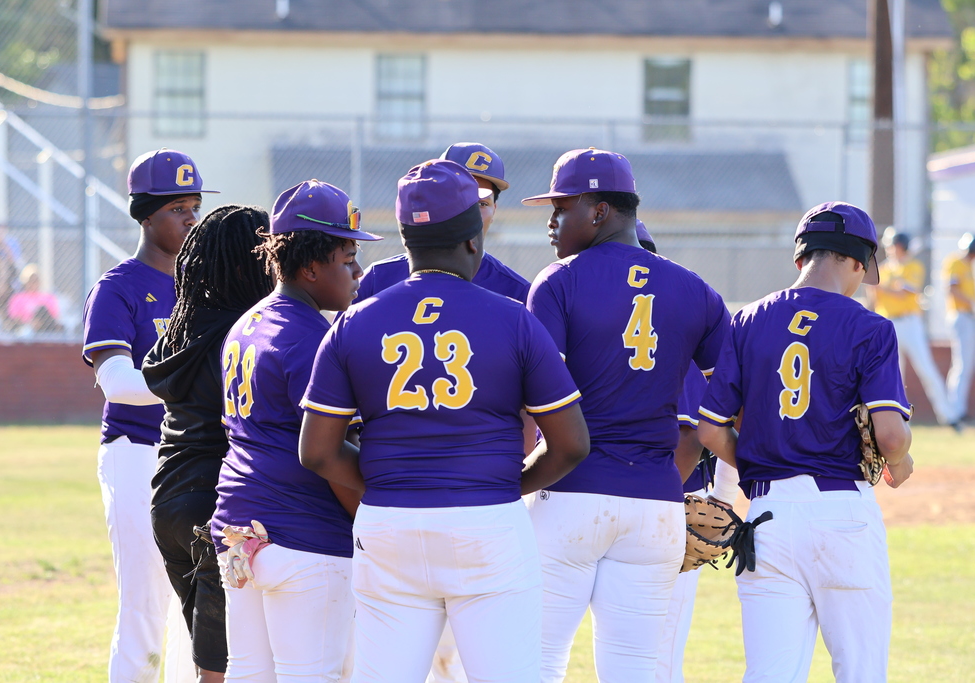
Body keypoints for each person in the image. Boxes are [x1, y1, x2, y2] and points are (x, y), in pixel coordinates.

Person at [299, 159, 590, 683]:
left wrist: (390, 481)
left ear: (406, 241)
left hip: (388, 522)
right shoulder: (513, 317)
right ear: (474, 239)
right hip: (486, 519)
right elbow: (570, 444)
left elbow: (317, 452)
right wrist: (511, 482)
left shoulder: (354, 321)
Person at [520, 148, 731, 682]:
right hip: (654, 505)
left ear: (599, 211)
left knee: (536, 662)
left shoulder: (559, 281)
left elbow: (533, 403)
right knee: (636, 669)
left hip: (569, 494)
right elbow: (731, 399)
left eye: (562, 207)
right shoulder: (696, 289)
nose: (551, 220)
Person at [697, 201, 914, 683]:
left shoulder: (747, 320)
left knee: (770, 675)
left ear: (801, 257)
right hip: (841, 512)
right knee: (860, 673)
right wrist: (901, 458)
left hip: (766, 517)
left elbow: (711, 429)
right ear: (858, 261)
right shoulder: (870, 327)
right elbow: (891, 437)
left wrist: (758, 461)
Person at [209, 181, 382, 681]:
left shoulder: (246, 323)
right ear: (309, 267)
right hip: (303, 532)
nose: (357, 271)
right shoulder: (311, 338)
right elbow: (330, 454)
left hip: (238, 527)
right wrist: (372, 527)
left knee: (248, 672)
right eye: (346, 255)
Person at [81, 148, 214, 683]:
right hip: (136, 453)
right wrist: (195, 388)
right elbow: (116, 384)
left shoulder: (206, 288)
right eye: (177, 207)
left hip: (197, 454)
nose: (190, 218)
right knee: (144, 607)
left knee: (200, 609)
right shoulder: (118, 288)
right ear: (146, 214)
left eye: (194, 207)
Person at [142, 204, 274, 682]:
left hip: (168, 502)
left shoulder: (181, 329)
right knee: (224, 668)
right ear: (246, 264)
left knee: (213, 661)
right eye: (266, 254)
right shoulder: (244, 333)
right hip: (218, 509)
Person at [635, 222, 739, 683]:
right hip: (644, 506)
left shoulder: (667, 340)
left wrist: (650, 502)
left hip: (662, 507)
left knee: (653, 656)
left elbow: (692, 438)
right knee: (646, 655)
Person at [354, 142, 530, 305]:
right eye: (461, 200)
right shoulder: (378, 278)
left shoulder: (517, 291)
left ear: (494, 211)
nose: (472, 214)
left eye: (482, 204)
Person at [868, 229, 956, 427]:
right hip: (888, 324)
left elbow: (904, 292)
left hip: (910, 323)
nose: (892, 250)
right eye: (890, 246)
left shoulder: (913, 266)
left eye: (895, 246)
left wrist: (880, 287)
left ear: (902, 246)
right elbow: (874, 299)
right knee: (893, 374)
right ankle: (898, 421)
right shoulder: (883, 268)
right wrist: (877, 289)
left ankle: (948, 416)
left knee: (926, 369)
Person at [942, 232, 975, 422]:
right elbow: (952, 289)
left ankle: (959, 408)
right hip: (961, 316)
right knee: (962, 364)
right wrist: (972, 304)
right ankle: (956, 409)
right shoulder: (955, 262)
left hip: (969, 317)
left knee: (966, 364)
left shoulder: (967, 265)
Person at [7, 264, 63, 333]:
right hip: (26, 328)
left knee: (42, 310)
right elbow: (14, 318)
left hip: (46, 328)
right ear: (25, 282)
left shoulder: (48, 297)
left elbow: (54, 317)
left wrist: (40, 321)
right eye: (30, 280)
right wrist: (31, 322)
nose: (33, 283)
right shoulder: (17, 298)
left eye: (36, 280)